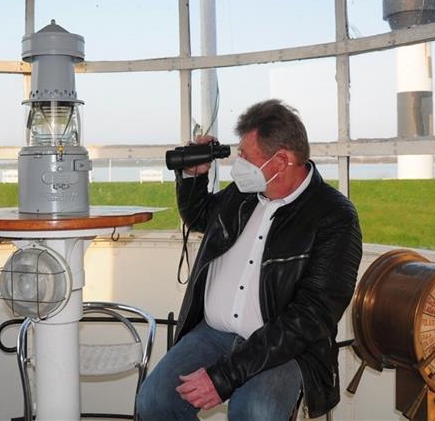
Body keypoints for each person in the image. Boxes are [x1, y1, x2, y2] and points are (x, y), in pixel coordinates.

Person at [136, 99, 362, 420]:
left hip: (281, 346)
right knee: (155, 401)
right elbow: (201, 217)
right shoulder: (245, 193)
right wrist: (194, 175)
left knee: (255, 411)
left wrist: (224, 377)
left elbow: (312, 316)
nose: (237, 164)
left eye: (246, 156)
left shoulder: (334, 217)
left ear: (281, 160)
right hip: (213, 333)